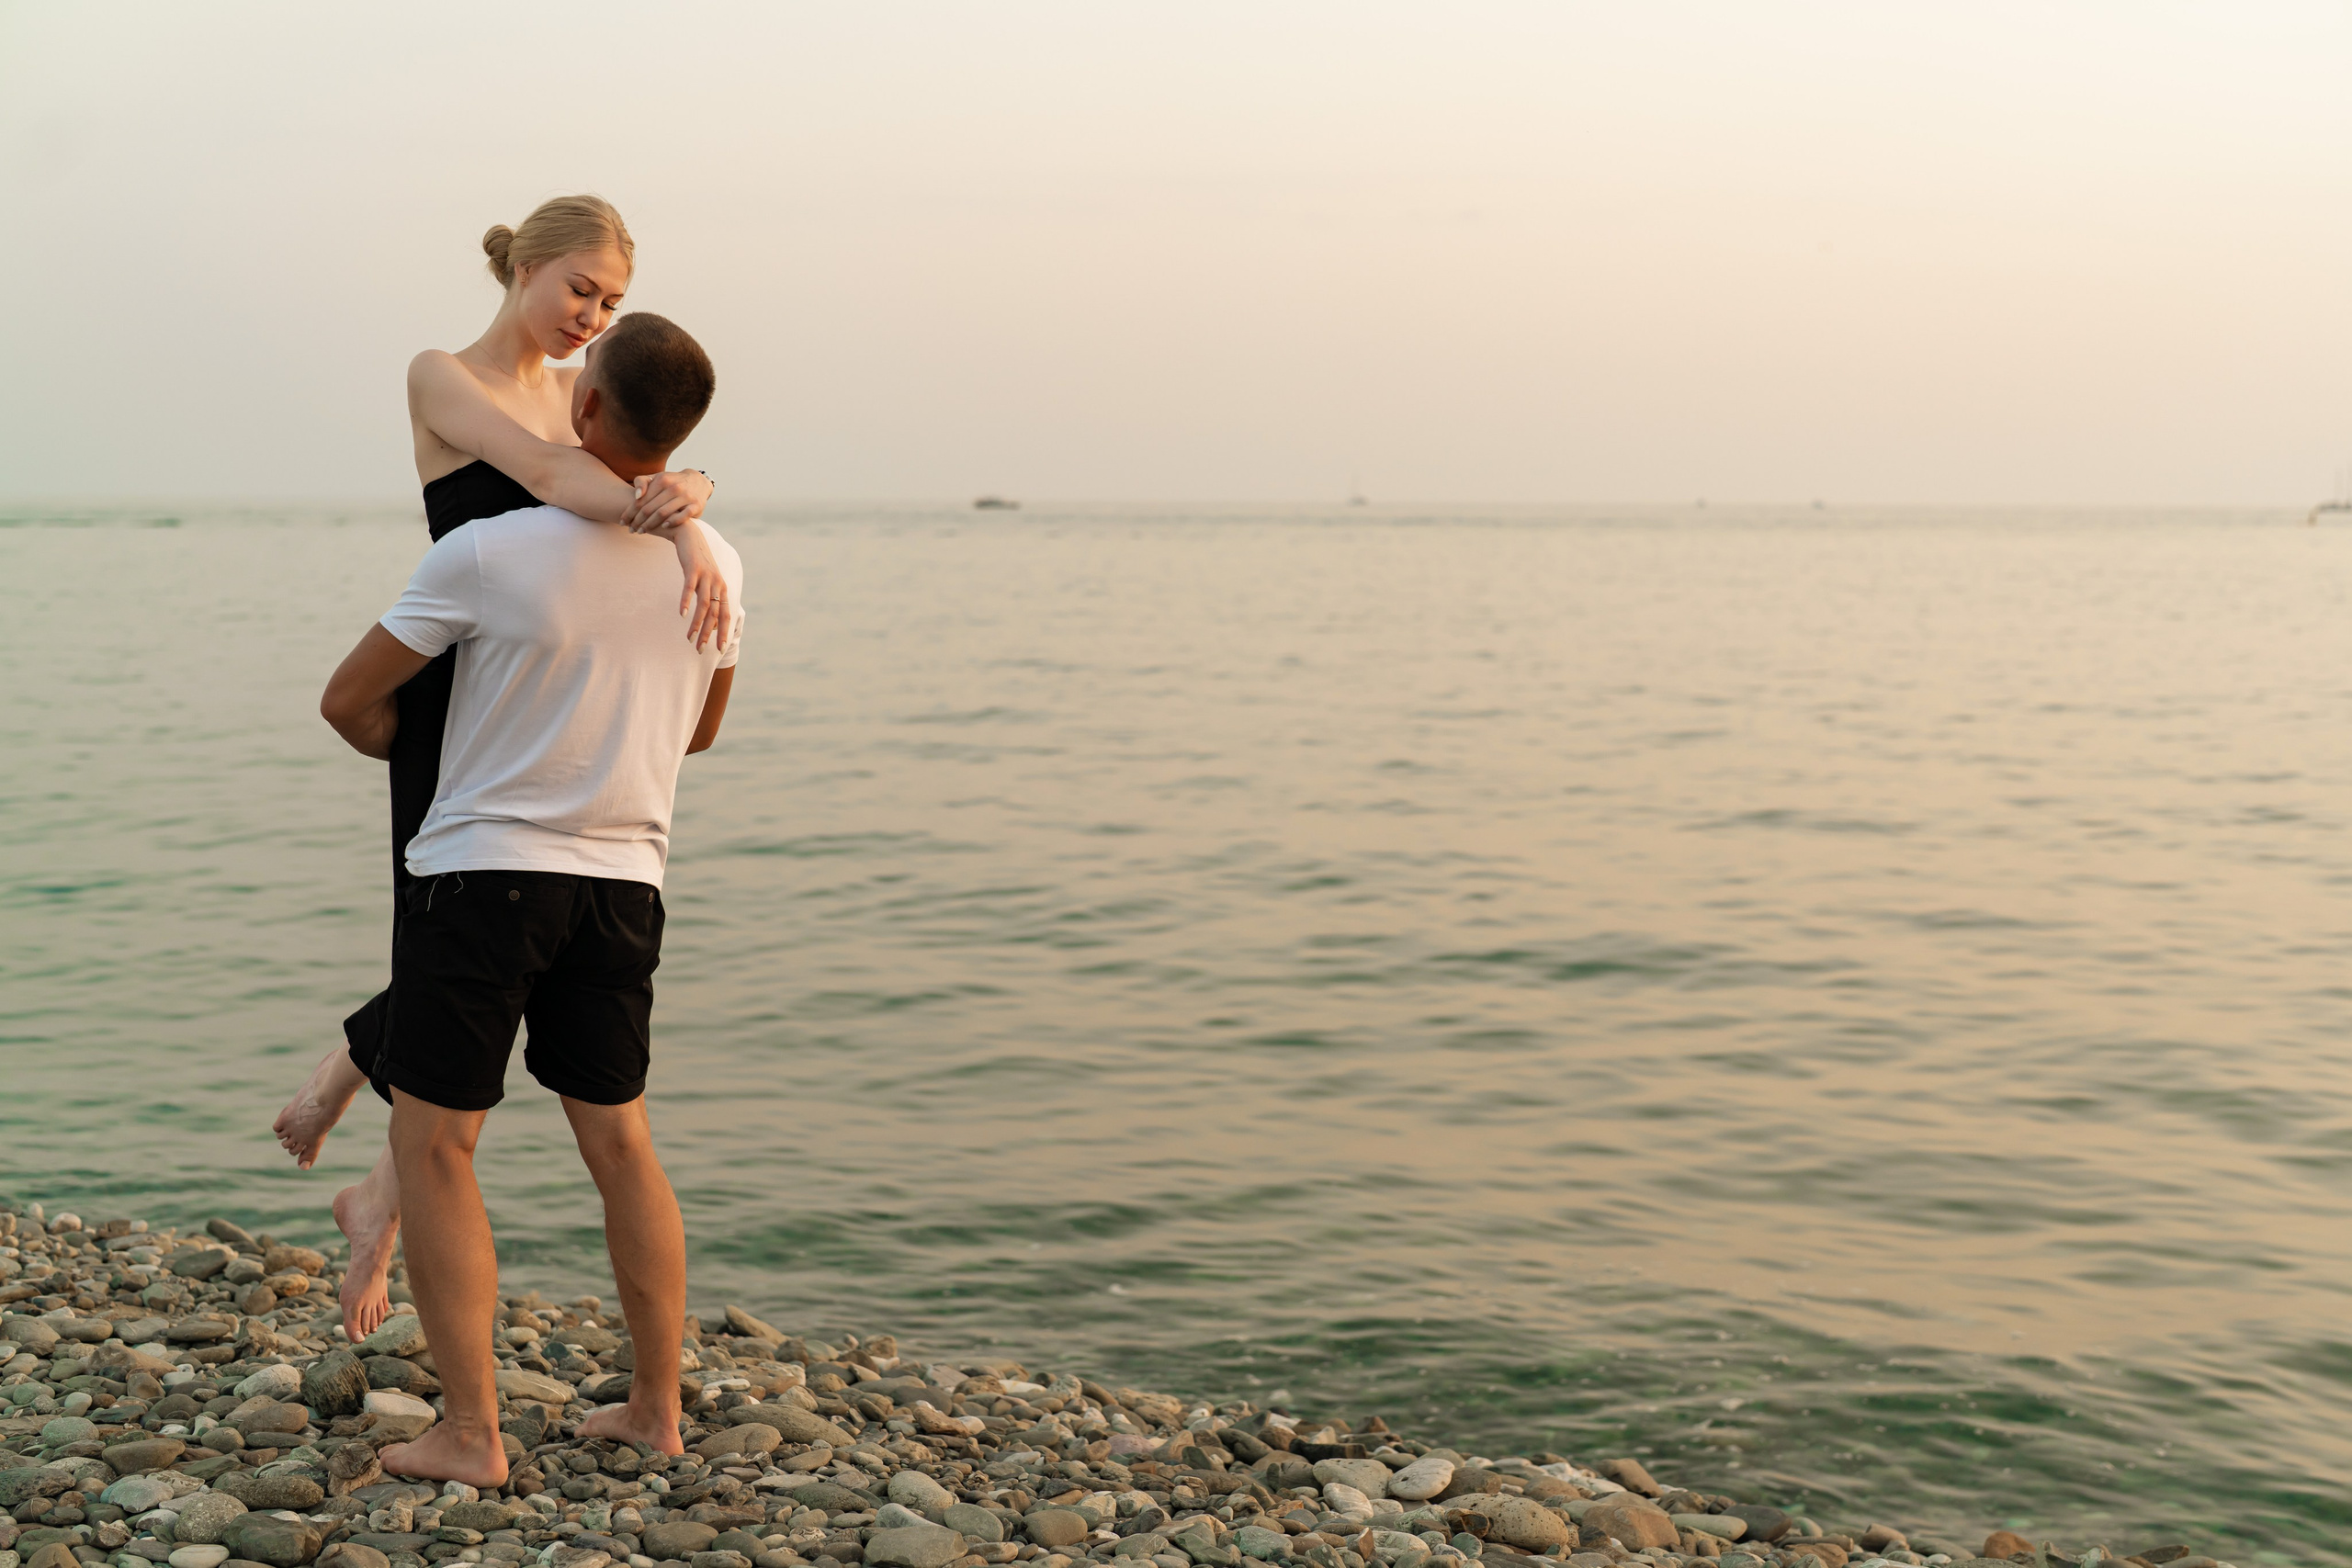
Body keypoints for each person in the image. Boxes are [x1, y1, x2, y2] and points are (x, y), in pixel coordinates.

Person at [270, 196, 729, 1342]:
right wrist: (682, 519)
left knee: (481, 963)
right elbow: (569, 483)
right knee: (445, 960)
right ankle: (377, 1191)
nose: (593, 314)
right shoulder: (448, 377)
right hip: (445, 692)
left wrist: (692, 490)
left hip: (528, 701)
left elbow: (628, 472)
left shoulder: (585, 401)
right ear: (524, 265)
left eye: (613, 301)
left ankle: (366, 1169)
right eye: (580, 287)